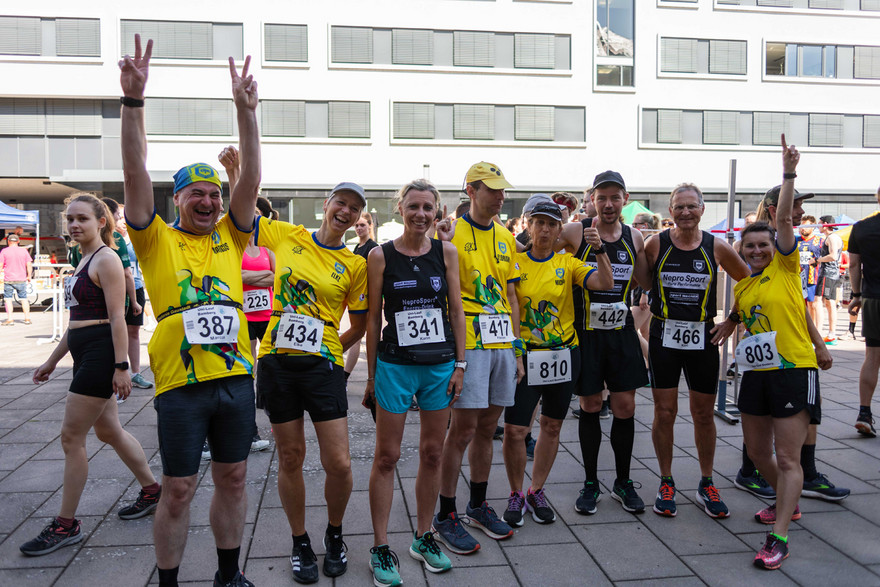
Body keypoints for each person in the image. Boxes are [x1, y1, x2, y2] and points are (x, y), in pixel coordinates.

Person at [120, 35, 261, 587]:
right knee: (178, 488)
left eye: (213, 194)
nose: (208, 201)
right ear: (176, 200)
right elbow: (134, 172)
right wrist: (134, 101)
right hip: (180, 383)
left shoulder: (233, 233)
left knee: (234, 477)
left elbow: (247, 180)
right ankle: (170, 582)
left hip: (234, 376)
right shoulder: (154, 240)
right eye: (194, 194)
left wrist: (246, 112)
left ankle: (229, 575)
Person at [20, 193, 160, 556]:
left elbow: (117, 318)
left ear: (101, 222)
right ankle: (151, 489)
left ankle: (66, 524)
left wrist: (121, 367)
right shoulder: (83, 260)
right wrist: (52, 361)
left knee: (71, 438)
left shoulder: (107, 259)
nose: (73, 225)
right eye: (69, 219)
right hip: (85, 350)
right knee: (108, 429)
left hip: (101, 354)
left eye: (81, 218)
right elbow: (75, 322)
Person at [254, 181, 368, 583]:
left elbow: (361, 323)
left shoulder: (356, 265)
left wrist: (330, 344)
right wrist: (237, 174)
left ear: (358, 218)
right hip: (277, 362)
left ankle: (335, 535)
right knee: (290, 457)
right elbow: (241, 212)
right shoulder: (288, 235)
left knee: (338, 462)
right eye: (341, 202)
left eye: (354, 208)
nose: (346, 211)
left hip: (323, 369)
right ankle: (299, 540)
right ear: (326, 204)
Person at [731, 137, 829, 570]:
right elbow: (748, 317)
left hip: (792, 369)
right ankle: (785, 501)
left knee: (789, 457)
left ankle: (780, 535)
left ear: (775, 247)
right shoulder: (744, 285)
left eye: (763, 245)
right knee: (756, 454)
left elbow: (785, 219)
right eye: (749, 246)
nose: (756, 250)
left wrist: (788, 174)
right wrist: (729, 323)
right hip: (755, 374)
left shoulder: (787, 267)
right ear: (741, 251)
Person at [364, 179, 465, 586]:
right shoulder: (380, 255)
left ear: (437, 212)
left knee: (432, 454)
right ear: (399, 209)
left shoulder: (447, 252)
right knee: (387, 456)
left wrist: (461, 365)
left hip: (439, 366)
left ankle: (424, 536)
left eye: (428, 207)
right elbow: (373, 319)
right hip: (396, 365)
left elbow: (456, 311)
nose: (421, 214)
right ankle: (381, 544)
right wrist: (370, 375)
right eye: (413, 206)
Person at [501, 201, 611, 527]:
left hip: (563, 354)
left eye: (552, 224)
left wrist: (600, 250)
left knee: (551, 425)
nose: (546, 230)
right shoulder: (514, 263)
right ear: (528, 225)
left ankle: (536, 490)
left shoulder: (568, 263)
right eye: (539, 223)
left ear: (560, 229)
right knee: (515, 430)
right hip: (525, 355)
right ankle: (515, 492)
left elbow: (605, 284)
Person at [645, 182, 751, 519]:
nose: (686, 212)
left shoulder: (715, 246)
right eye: (679, 207)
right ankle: (666, 481)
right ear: (671, 211)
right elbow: (642, 282)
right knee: (665, 412)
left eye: (692, 206)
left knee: (704, 413)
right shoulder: (655, 244)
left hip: (704, 338)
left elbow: (747, 280)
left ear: (702, 209)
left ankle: (706, 482)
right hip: (665, 336)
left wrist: (732, 320)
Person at [431, 161, 522, 555]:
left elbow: (513, 295)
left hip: (502, 342)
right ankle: (446, 512)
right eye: (492, 189)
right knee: (463, 430)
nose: (500, 196)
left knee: (488, 428)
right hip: (469, 341)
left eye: (502, 189)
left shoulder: (505, 236)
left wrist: (517, 348)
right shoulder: (451, 231)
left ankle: (478, 504)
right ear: (471, 190)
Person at [556, 171, 652, 515]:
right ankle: (590, 482)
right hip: (586, 333)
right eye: (602, 198)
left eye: (615, 197)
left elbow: (644, 279)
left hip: (621, 331)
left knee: (626, 407)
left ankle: (623, 482)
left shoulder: (635, 236)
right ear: (592, 200)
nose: (608, 204)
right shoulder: (575, 231)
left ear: (625, 199)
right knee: (591, 405)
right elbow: (538, 254)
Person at [218, 146, 274, 455]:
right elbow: (231, 277)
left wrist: (247, 278)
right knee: (242, 369)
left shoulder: (268, 248)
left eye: (257, 216)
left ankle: (261, 421)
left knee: (267, 367)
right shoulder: (233, 245)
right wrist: (257, 277)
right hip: (240, 315)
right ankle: (243, 430)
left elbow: (277, 278)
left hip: (265, 314)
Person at [846, 185, 880, 438]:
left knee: (872, 356)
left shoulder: (861, 228)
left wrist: (856, 295)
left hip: (873, 298)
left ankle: (864, 413)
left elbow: (854, 265)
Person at [109, 200, 154, 389]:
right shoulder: (110, 238)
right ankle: (116, 372)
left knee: (134, 331)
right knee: (114, 331)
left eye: (126, 217)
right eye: (120, 217)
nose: (123, 221)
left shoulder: (136, 238)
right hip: (117, 289)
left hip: (136, 287)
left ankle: (136, 373)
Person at [345, 211, 379, 381]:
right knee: (357, 337)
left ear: (370, 226)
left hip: (369, 299)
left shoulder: (373, 247)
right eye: (357, 225)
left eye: (362, 225)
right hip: (357, 299)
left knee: (365, 338)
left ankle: (372, 378)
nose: (358, 228)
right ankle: (344, 376)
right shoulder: (356, 248)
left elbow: (376, 276)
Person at [816, 215, 843, 343]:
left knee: (823, 302)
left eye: (820, 223)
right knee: (829, 302)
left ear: (826, 224)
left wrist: (817, 260)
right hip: (830, 273)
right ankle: (830, 333)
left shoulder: (832, 238)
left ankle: (824, 332)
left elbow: (833, 256)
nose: (818, 226)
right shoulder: (832, 237)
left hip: (828, 273)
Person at [0, 233, 33, 325]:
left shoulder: (4, 251)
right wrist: (29, 275)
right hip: (21, 279)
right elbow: (29, 264)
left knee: (8, 299)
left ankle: (10, 319)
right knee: (24, 299)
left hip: (8, 279)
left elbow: (0, 265)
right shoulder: (24, 251)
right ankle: (27, 319)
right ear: (18, 241)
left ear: (8, 241)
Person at [796, 216, 822, 325]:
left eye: (806, 226)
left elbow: (826, 257)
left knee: (813, 304)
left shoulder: (819, 241)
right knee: (799, 303)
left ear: (813, 227)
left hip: (813, 276)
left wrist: (817, 261)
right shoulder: (796, 240)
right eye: (801, 226)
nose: (803, 229)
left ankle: (815, 330)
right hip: (798, 276)